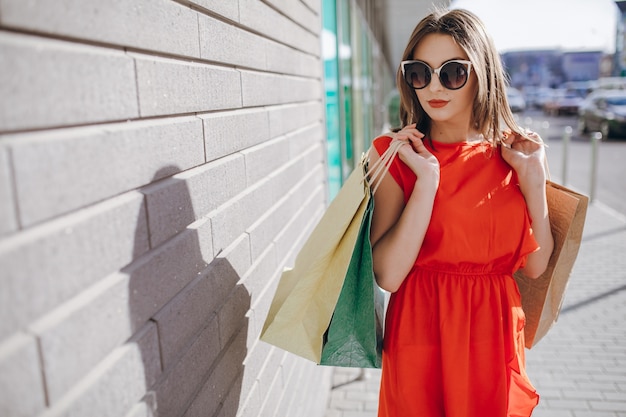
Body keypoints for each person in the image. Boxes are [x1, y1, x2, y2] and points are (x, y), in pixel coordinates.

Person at [369, 8, 554, 417]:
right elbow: (388, 274)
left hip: (495, 338)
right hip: (421, 336)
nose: (434, 86)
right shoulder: (393, 154)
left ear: (482, 73)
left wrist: (534, 180)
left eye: (452, 72)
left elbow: (536, 266)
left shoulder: (513, 154)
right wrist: (427, 184)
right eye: (420, 72)